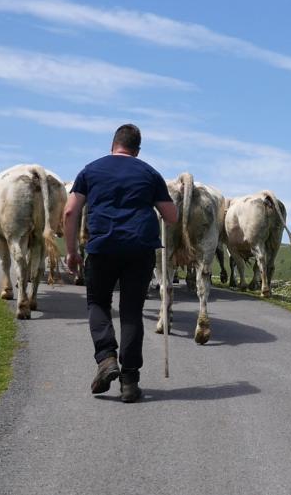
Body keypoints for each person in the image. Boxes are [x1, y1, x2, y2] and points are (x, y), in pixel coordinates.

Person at [64, 124, 177, 403]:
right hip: (139, 251)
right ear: (137, 150)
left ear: (113, 144)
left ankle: (106, 358)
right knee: (131, 312)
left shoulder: (90, 170)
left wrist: (71, 251)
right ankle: (129, 382)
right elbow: (171, 216)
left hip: (102, 248)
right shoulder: (149, 173)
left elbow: (70, 211)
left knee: (98, 304)